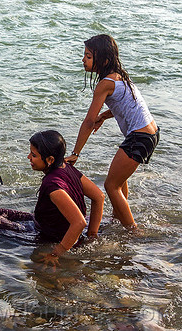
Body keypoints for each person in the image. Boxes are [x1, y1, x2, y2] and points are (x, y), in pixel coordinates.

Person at [66, 34, 159, 230]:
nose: (83, 59)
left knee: (111, 185)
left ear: (104, 60)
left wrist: (75, 154)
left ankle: (132, 230)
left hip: (139, 137)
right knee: (118, 179)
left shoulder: (105, 84)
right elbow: (127, 105)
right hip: (150, 133)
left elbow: (89, 121)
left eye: (88, 56)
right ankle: (118, 218)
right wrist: (105, 116)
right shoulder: (118, 76)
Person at [0, 130, 104, 266]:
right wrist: (92, 234)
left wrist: (57, 252)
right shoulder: (67, 167)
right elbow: (99, 197)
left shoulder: (51, 184)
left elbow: (79, 222)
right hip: (44, 222)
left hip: (49, 235)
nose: (28, 157)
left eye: (34, 155)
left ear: (50, 160)